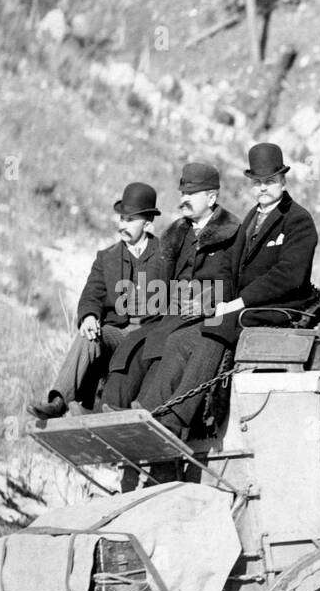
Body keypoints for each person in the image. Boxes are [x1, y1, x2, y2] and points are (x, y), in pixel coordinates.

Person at [141, 142, 320, 436]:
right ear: (251, 184)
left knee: (220, 325)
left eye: (270, 181)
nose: (263, 188)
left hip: (281, 308)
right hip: (244, 306)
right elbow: (228, 269)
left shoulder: (298, 220)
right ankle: (148, 413)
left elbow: (289, 276)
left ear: (283, 181)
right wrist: (213, 302)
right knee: (180, 338)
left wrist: (237, 303)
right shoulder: (250, 219)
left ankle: (177, 419)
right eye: (258, 182)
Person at [101, 162, 239, 410]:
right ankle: (109, 409)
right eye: (183, 193)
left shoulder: (231, 233)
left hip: (205, 316)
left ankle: (144, 410)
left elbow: (236, 283)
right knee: (134, 343)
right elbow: (159, 281)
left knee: (163, 341)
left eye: (190, 194)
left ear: (211, 197)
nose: (184, 199)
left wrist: (209, 304)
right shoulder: (176, 233)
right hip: (169, 311)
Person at [28, 182, 161, 419]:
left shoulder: (165, 255)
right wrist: (89, 316)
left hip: (151, 335)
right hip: (119, 334)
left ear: (148, 223)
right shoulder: (106, 257)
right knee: (88, 335)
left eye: (130, 220)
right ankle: (59, 401)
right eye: (121, 219)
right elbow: (92, 293)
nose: (122, 225)